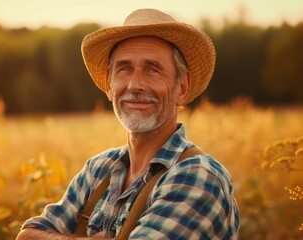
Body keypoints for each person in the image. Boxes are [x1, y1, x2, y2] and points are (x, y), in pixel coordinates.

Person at [16, 8, 239, 240]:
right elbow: (26, 236)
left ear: (182, 88)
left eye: (153, 69)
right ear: (109, 86)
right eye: (124, 69)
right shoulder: (99, 169)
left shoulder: (199, 176)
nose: (134, 85)